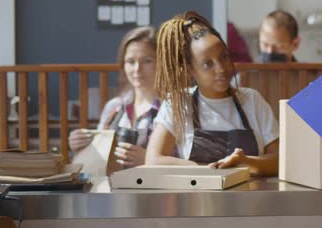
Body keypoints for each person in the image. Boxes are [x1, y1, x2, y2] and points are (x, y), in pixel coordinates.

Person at [145, 11, 279, 176]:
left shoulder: (252, 100)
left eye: (224, 57)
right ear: (190, 70)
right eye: (208, 64)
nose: (221, 68)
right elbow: (153, 160)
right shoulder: (178, 103)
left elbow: (280, 160)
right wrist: (204, 170)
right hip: (196, 200)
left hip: (252, 198)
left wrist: (245, 162)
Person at [68, 26, 161, 168]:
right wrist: (80, 145)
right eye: (130, 61)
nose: (137, 69)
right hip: (111, 187)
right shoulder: (114, 108)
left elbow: (184, 159)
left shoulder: (172, 108)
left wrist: (150, 159)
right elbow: (100, 156)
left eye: (147, 61)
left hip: (156, 188)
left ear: (161, 63)